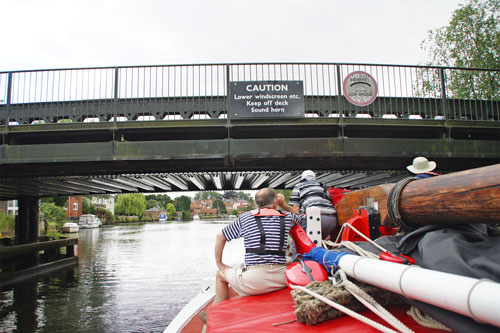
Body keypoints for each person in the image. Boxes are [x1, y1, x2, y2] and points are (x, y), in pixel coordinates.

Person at [213, 188, 302, 304]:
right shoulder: (287, 217)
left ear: (256, 204)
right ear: (274, 203)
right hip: (281, 278)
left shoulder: (245, 218)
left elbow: (220, 236)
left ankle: (217, 313)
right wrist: (283, 204)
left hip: (254, 281)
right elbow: (299, 216)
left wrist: (220, 264)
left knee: (220, 274)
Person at [276, 170, 337, 239]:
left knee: (296, 236)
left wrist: (282, 204)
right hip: (332, 221)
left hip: (315, 219)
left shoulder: (299, 186)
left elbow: (296, 212)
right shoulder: (323, 187)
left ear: (302, 179)